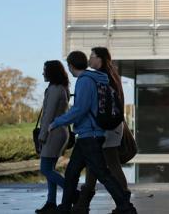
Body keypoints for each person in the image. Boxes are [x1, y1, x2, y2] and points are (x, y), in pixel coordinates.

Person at [50, 51, 136, 214]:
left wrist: (57, 122)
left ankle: (125, 206)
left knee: (102, 174)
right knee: (72, 172)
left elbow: (80, 109)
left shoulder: (85, 81)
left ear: (70, 65)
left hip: (91, 135)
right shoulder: (96, 79)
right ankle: (66, 206)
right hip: (87, 135)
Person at [73, 47, 129, 213]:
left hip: (107, 126)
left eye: (92, 56)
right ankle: (83, 204)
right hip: (110, 125)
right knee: (94, 164)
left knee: (109, 163)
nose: (89, 60)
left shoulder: (102, 78)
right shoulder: (110, 76)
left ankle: (123, 201)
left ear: (101, 59)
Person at [35, 60, 70, 214]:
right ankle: (51, 202)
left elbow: (48, 115)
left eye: (45, 70)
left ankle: (73, 193)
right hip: (58, 132)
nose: (43, 73)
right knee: (50, 169)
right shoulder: (59, 88)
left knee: (45, 169)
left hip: (53, 132)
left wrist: (42, 136)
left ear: (52, 72)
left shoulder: (55, 89)